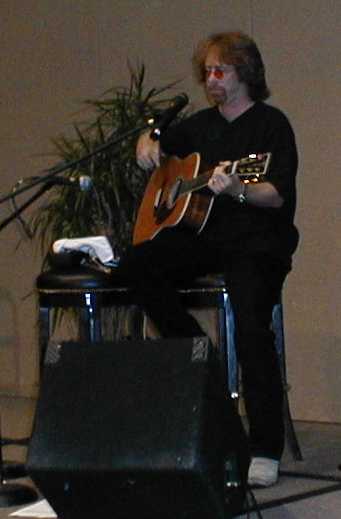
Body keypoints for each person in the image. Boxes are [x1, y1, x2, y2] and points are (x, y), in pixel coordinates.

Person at [118, 31, 299, 487]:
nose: (212, 79)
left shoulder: (271, 125)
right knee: (138, 265)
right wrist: (148, 141)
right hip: (205, 236)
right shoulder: (200, 125)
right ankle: (202, 351)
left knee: (251, 317)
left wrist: (239, 188)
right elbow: (161, 146)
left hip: (258, 241)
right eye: (208, 72)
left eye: (222, 71)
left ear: (246, 73)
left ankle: (263, 446)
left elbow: (275, 195)